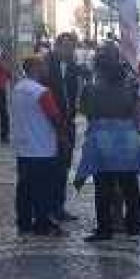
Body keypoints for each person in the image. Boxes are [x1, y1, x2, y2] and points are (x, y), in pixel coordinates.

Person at [76, 43, 140, 242]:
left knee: (103, 188)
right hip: (127, 140)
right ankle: (133, 226)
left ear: (99, 69)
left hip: (100, 141)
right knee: (130, 185)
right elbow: (139, 113)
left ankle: (105, 229)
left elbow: (85, 111)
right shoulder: (131, 87)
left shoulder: (90, 89)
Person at [11, 55, 69, 237]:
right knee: (44, 189)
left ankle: (24, 223)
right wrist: (63, 137)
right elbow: (55, 117)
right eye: (43, 65)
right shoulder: (41, 91)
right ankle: (43, 224)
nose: (46, 68)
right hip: (43, 148)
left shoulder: (18, 88)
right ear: (35, 68)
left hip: (23, 148)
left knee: (24, 188)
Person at [44, 33, 84, 221]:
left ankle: (58, 207)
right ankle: (47, 207)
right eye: (66, 47)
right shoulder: (45, 65)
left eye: (72, 47)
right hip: (49, 122)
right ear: (57, 46)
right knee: (50, 165)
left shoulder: (73, 67)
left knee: (64, 165)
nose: (69, 51)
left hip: (68, 121)